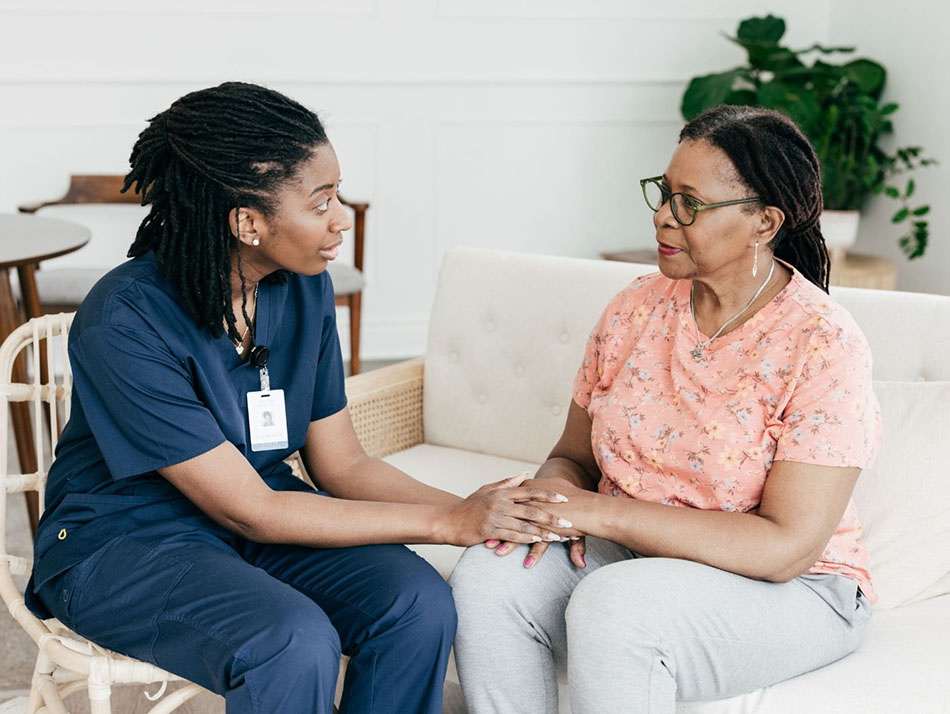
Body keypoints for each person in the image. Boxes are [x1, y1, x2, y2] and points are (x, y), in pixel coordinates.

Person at [26, 82, 570, 714]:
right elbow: (249, 510)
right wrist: (449, 523)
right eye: (321, 203)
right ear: (247, 222)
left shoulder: (303, 288)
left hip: (260, 515)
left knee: (415, 603)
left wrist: (482, 513)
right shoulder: (125, 319)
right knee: (289, 640)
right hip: (126, 544)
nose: (342, 218)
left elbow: (344, 466)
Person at [450, 105, 882, 714]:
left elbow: (784, 547)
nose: (662, 216)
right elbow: (571, 457)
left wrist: (601, 514)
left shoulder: (822, 342)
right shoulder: (635, 306)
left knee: (616, 606)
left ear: (764, 222)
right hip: (634, 553)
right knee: (490, 577)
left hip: (794, 589)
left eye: (689, 203)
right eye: (663, 192)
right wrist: (549, 508)